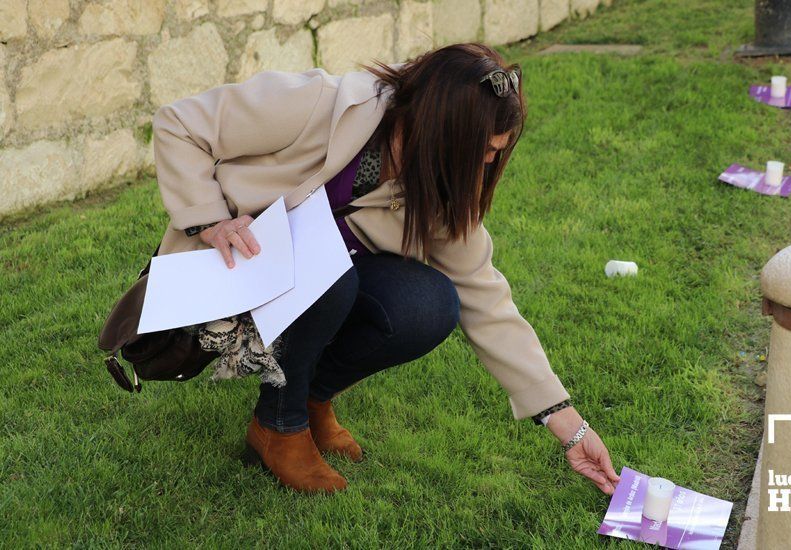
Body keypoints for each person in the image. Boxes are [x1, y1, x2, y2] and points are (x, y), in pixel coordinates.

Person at [150, 42, 620, 495]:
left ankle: (310, 398)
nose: (488, 161)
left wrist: (569, 425)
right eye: (482, 148)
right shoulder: (320, 102)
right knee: (335, 274)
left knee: (430, 304)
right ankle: (279, 426)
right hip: (230, 270)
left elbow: (486, 297)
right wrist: (211, 221)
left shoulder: (445, 183)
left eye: (497, 150)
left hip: (321, 285)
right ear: (438, 129)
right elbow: (179, 124)